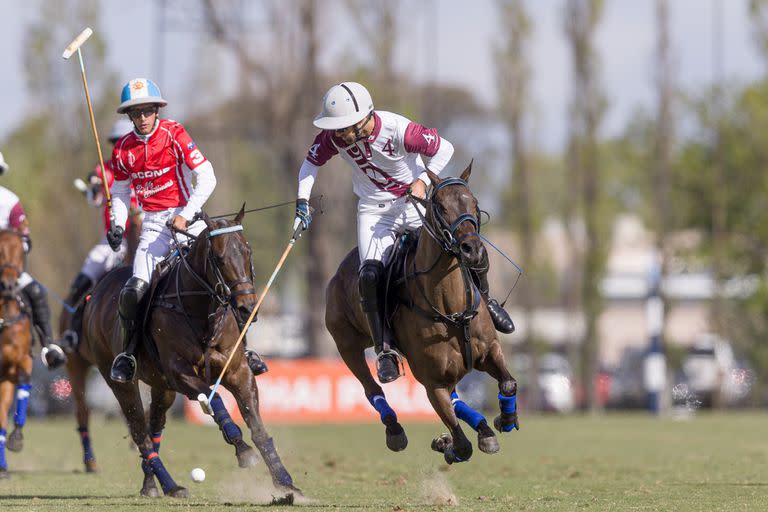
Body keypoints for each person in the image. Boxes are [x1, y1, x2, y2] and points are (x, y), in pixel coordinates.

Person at [293, 82, 515, 384]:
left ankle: (487, 303)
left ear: (362, 120)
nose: (336, 134)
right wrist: (302, 202)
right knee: (370, 276)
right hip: (374, 212)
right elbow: (309, 164)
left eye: (343, 127)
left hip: (413, 203)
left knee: (462, 246)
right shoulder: (334, 138)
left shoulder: (398, 129)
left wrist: (423, 179)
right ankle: (385, 350)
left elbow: (444, 148)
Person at [106, 78, 267, 383]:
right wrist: (117, 222)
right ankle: (128, 353)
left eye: (147, 110)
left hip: (189, 218)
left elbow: (207, 176)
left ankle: (245, 348)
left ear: (157, 110)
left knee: (227, 270)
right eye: (136, 112)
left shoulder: (174, 134)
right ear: (129, 116)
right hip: (154, 226)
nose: (142, 118)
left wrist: (186, 214)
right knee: (135, 289)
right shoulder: (124, 150)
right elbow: (120, 192)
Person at [59, 119, 138, 350]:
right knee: (84, 277)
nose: (121, 146)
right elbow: (95, 196)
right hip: (114, 240)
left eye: (125, 141)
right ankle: (72, 330)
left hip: (149, 234)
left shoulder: (144, 164)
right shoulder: (105, 170)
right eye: (116, 142)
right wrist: (94, 185)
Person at [0, 151, 66, 369]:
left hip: (8, 268)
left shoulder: (10, 200)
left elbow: (25, 237)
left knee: (36, 292)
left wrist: (15, 255)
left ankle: (48, 346)